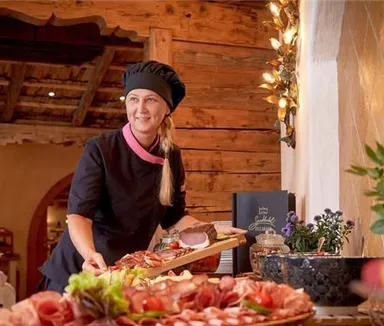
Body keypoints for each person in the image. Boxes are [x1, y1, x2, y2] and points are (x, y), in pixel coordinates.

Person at [39, 60, 246, 293]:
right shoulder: (100, 149)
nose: (141, 109)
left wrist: (214, 228)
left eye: (151, 99)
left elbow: (175, 218)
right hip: (78, 271)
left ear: (166, 108)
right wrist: (89, 255)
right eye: (133, 99)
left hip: (121, 276)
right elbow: (79, 216)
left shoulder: (171, 156)